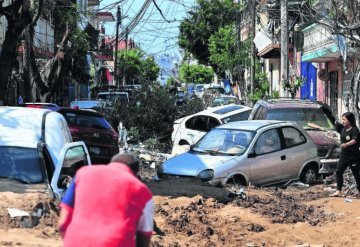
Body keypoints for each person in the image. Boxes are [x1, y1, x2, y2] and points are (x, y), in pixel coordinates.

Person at [58, 153, 154, 247]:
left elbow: (63, 222)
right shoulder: (143, 191)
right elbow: (144, 236)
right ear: (136, 174)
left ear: (111, 163)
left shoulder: (82, 173)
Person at [330, 112, 360, 197]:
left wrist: (346, 144)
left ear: (349, 120)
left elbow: (355, 140)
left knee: (356, 175)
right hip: (344, 156)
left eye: (344, 119)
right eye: (342, 119)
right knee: (339, 171)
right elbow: (334, 123)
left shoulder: (355, 129)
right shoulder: (342, 129)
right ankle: (338, 191)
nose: (342, 121)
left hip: (354, 156)